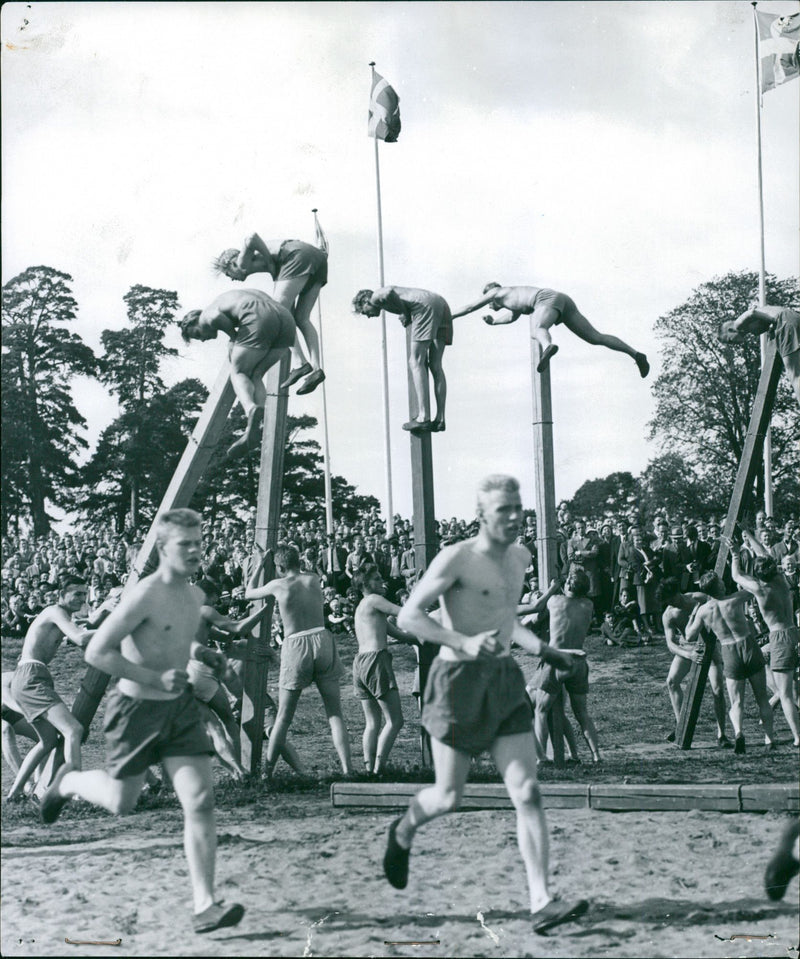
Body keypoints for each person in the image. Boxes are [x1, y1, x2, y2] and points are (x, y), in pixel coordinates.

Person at [385, 474, 588, 934]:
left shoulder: (521, 557)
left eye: (518, 508)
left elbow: (503, 621)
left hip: (503, 681)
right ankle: (403, 829)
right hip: (456, 681)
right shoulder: (457, 557)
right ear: (482, 515)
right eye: (503, 510)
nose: (515, 517)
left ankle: (542, 901)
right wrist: (461, 641)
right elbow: (410, 616)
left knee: (528, 792)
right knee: (449, 796)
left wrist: (543, 649)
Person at [38, 509, 245, 935]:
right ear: (164, 549)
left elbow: (173, 639)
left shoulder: (193, 596)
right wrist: (153, 677)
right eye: (184, 544)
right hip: (135, 710)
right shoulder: (143, 594)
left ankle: (205, 904)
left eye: (198, 543)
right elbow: (97, 652)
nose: (193, 551)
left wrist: (205, 656)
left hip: (180, 710)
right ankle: (68, 782)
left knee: (200, 799)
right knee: (121, 802)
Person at [244, 545, 353, 778]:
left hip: (295, 644)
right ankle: (348, 769)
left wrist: (260, 564)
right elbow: (303, 571)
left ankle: (267, 773)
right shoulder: (312, 579)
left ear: (280, 567)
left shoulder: (278, 585)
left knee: (283, 716)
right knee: (335, 713)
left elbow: (248, 592)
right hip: (322, 638)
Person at [7, 578, 95, 800]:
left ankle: (15, 793)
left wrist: (104, 612)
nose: (82, 599)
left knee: (48, 741)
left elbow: (86, 625)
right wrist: (119, 626)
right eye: (76, 594)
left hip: (31, 676)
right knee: (73, 730)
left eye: (85, 595)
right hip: (31, 676)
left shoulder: (63, 616)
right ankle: (76, 791)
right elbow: (80, 637)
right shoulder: (55, 610)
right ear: (62, 595)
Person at [179, 288, 296, 457]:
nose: (203, 339)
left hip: (257, 315)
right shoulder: (229, 297)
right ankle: (255, 420)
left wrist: (233, 337)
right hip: (285, 318)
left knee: (238, 371)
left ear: (194, 321)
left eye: (197, 334)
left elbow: (215, 317)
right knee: (256, 374)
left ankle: (250, 409)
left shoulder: (206, 313)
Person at [213, 233, 328, 395]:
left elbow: (250, 238)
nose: (232, 279)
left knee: (277, 314)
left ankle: (300, 364)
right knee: (301, 318)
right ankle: (316, 369)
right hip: (317, 259)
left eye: (228, 274)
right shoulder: (274, 268)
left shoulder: (241, 262)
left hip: (296, 255)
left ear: (231, 264)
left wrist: (268, 260)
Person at [450, 283, 649, 376]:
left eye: (489, 302)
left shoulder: (496, 292)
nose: (490, 305)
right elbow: (512, 316)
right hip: (561, 298)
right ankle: (636, 355)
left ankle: (548, 347)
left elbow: (469, 307)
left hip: (544, 299)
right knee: (595, 338)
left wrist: (448, 316)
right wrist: (494, 322)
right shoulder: (513, 298)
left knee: (537, 329)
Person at [683, 572, 776, 754]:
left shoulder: (704, 611)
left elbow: (689, 636)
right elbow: (757, 587)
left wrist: (693, 614)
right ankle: (769, 739)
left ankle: (739, 732)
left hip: (728, 650)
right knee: (762, 698)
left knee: (736, 702)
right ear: (720, 586)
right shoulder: (735, 599)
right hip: (748, 644)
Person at [726, 529, 800, 747]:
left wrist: (735, 553)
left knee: (785, 693)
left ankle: (797, 737)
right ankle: (772, 700)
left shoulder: (760, 589)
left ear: (758, 575)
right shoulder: (781, 581)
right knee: (788, 685)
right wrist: (748, 534)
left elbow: (736, 576)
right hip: (795, 632)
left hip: (779, 637)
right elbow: (765, 555)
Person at [352, 286, 452, 432]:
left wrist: (406, 313)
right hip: (440, 303)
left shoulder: (376, 297)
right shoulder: (389, 301)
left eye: (364, 311)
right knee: (435, 365)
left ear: (365, 301)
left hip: (425, 306)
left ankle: (423, 417)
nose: (367, 316)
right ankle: (440, 419)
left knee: (415, 361)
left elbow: (388, 292)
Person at [528, 570, 601, 764]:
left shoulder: (555, 601)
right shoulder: (588, 605)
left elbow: (537, 607)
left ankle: (542, 757)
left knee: (541, 711)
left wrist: (552, 587)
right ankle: (596, 755)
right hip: (578, 659)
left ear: (567, 584)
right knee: (582, 713)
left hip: (556, 659)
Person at [352, 566, 414, 774]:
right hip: (376, 660)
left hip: (360, 662)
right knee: (395, 720)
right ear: (365, 585)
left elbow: (401, 635)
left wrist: (424, 638)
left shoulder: (364, 607)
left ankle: (369, 771)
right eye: (377, 580)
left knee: (372, 722)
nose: (382, 583)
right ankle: (379, 769)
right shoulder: (373, 600)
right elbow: (403, 613)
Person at [657, 577, 729, 746]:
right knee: (672, 682)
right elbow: (670, 644)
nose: (673, 604)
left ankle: (722, 734)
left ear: (678, 592)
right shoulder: (668, 614)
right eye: (668, 602)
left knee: (717, 689)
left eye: (673, 599)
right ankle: (680, 725)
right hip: (686, 648)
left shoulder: (698, 598)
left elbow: (718, 606)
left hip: (709, 646)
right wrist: (688, 654)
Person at [719, 304, 800, 405]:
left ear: (730, 330)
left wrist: (773, 320)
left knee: (794, 373)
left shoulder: (738, 324)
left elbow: (751, 313)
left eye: (730, 340)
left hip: (784, 322)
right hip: (794, 317)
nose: (733, 344)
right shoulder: (750, 325)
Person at [2, 671, 44, 796]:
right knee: (6, 730)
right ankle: (25, 784)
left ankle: (39, 784)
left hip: (7, 710)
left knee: (48, 737)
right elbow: (17, 706)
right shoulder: (9, 681)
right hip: (9, 706)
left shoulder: (36, 678)